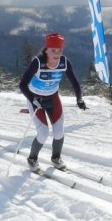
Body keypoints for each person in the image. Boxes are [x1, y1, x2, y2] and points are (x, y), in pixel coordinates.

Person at [19, 32, 86, 171]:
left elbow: (75, 82)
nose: (56, 53)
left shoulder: (64, 62)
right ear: (46, 49)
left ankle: (56, 158)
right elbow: (22, 84)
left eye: (59, 50)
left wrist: (79, 99)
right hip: (36, 99)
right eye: (53, 50)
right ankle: (32, 159)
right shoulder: (38, 62)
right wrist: (32, 99)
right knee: (43, 133)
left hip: (53, 98)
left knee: (59, 132)